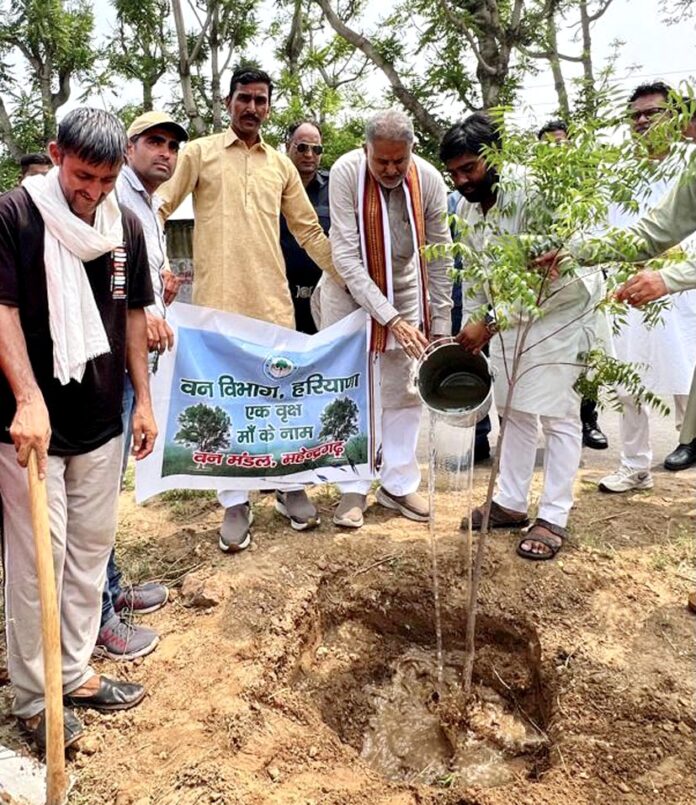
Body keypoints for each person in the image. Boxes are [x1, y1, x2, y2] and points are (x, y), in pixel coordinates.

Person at [0, 107, 157, 752]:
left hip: (100, 417)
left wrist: (143, 400)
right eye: (81, 176)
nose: (91, 192)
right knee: (40, 562)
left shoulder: (126, 230)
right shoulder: (14, 215)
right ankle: (35, 696)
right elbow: (2, 311)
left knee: (89, 555)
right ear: (56, 152)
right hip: (31, 427)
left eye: (105, 179)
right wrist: (27, 396)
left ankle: (72, 672)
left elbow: (134, 316)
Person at [159, 67, 341, 551]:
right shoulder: (198, 154)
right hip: (218, 307)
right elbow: (157, 205)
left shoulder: (280, 165)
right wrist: (152, 263)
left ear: (268, 106)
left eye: (261, 100)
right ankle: (235, 501)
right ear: (228, 101)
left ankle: (286, 487)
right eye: (245, 98)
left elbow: (307, 231)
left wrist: (348, 277)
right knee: (226, 405)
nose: (252, 108)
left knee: (279, 400)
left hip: (272, 305)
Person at [442, 113, 600, 560]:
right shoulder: (469, 209)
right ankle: (510, 503)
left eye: (469, 168)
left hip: (560, 311)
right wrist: (475, 323)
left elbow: (547, 276)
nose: (461, 180)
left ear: (495, 158)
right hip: (508, 318)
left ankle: (553, 514)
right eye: (453, 172)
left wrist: (489, 322)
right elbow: (473, 274)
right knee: (512, 409)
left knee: (558, 414)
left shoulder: (532, 193)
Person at [317, 109, 452, 528]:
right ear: (365, 150)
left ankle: (398, 484)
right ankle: (352, 487)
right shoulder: (345, 172)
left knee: (405, 391)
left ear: (413, 152)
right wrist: (391, 320)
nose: (392, 170)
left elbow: (440, 253)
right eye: (382, 162)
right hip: (347, 294)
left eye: (400, 161)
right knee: (352, 389)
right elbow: (345, 256)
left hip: (408, 291)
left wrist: (441, 328)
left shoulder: (428, 179)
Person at [95, 111, 189, 661]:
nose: (166, 154)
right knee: (98, 492)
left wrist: (160, 292)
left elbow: (139, 282)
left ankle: (110, 587)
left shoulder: (149, 204)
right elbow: (118, 283)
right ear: (129, 147)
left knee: (107, 488)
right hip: (108, 360)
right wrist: (148, 306)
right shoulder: (117, 197)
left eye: (173, 145)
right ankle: (101, 612)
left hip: (128, 354)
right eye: (154, 142)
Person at [597, 83, 696, 492]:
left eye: (651, 113)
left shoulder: (689, 162)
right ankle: (634, 465)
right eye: (635, 115)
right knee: (628, 377)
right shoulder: (619, 171)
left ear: (674, 117)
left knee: (687, 375)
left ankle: (688, 444)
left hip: (681, 287)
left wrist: (669, 271)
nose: (641, 121)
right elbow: (606, 228)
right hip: (630, 289)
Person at [537, 119, 609, 451]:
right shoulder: (532, 194)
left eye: (561, 144)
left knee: (589, 360)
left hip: (589, 286)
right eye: (548, 146)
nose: (555, 151)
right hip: (549, 294)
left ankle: (588, 420)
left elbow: (606, 238)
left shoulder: (590, 192)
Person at [447, 188, 492, 462]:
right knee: (470, 364)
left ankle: (507, 441)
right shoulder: (454, 202)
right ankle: (476, 440)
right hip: (464, 296)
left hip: (508, 300)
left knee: (506, 371)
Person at [280, 120, 329, 334]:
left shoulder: (337, 188)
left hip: (325, 299)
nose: (309, 154)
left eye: (316, 149)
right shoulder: (271, 187)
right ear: (287, 146)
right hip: (281, 300)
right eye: (301, 147)